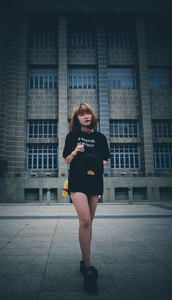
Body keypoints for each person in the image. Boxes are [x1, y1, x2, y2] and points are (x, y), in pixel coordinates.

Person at [63, 103, 111, 295]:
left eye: (88, 113)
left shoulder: (100, 138)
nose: (86, 116)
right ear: (77, 118)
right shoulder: (72, 136)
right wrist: (76, 151)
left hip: (94, 181)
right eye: (82, 114)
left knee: (89, 222)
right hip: (77, 181)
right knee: (84, 221)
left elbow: (106, 159)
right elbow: (66, 159)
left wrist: (96, 158)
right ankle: (89, 269)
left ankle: (84, 260)